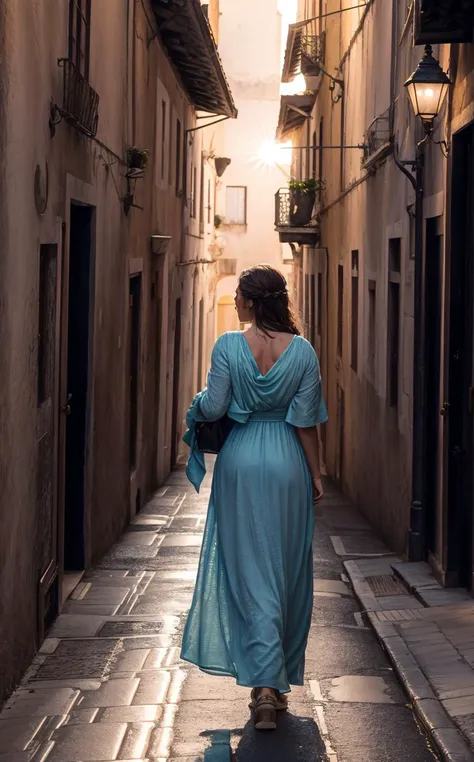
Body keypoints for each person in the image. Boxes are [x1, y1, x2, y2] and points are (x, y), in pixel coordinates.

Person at [181, 264, 327, 730]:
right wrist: (316, 473)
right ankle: (273, 680)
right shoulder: (303, 352)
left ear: (250, 301)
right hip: (286, 463)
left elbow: (216, 406)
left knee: (249, 571)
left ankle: (264, 686)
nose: (238, 302)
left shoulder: (227, 345)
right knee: (283, 570)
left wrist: (197, 406)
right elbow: (305, 422)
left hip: (241, 462)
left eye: (241, 295)